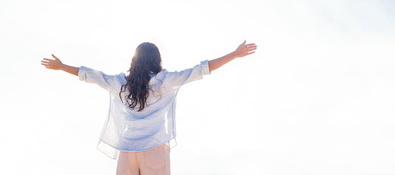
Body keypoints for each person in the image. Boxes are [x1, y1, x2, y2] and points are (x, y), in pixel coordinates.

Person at [41, 40, 257, 175]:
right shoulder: (166, 80)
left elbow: (90, 75)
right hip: (154, 148)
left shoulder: (121, 84)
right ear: (157, 60)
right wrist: (234, 54)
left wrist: (61, 67)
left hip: (127, 149)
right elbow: (201, 69)